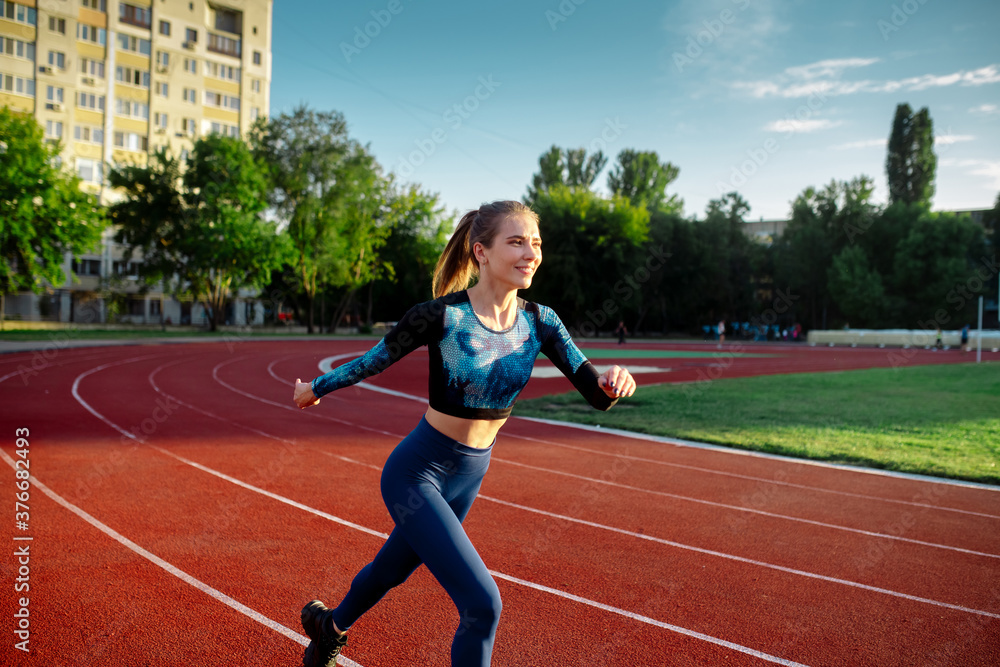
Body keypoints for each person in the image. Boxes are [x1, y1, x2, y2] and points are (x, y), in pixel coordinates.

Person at [292, 200, 635, 667]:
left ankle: (327, 629)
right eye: (516, 242)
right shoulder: (441, 315)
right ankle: (328, 630)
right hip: (418, 472)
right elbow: (373, 360)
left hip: (470, 475)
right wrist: (315, 388)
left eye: (535, 243)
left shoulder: (541, 321)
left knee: (390, 570)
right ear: (482, 252)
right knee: (482, 603)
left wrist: (613, 380)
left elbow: (596, 393)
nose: (530, 253)